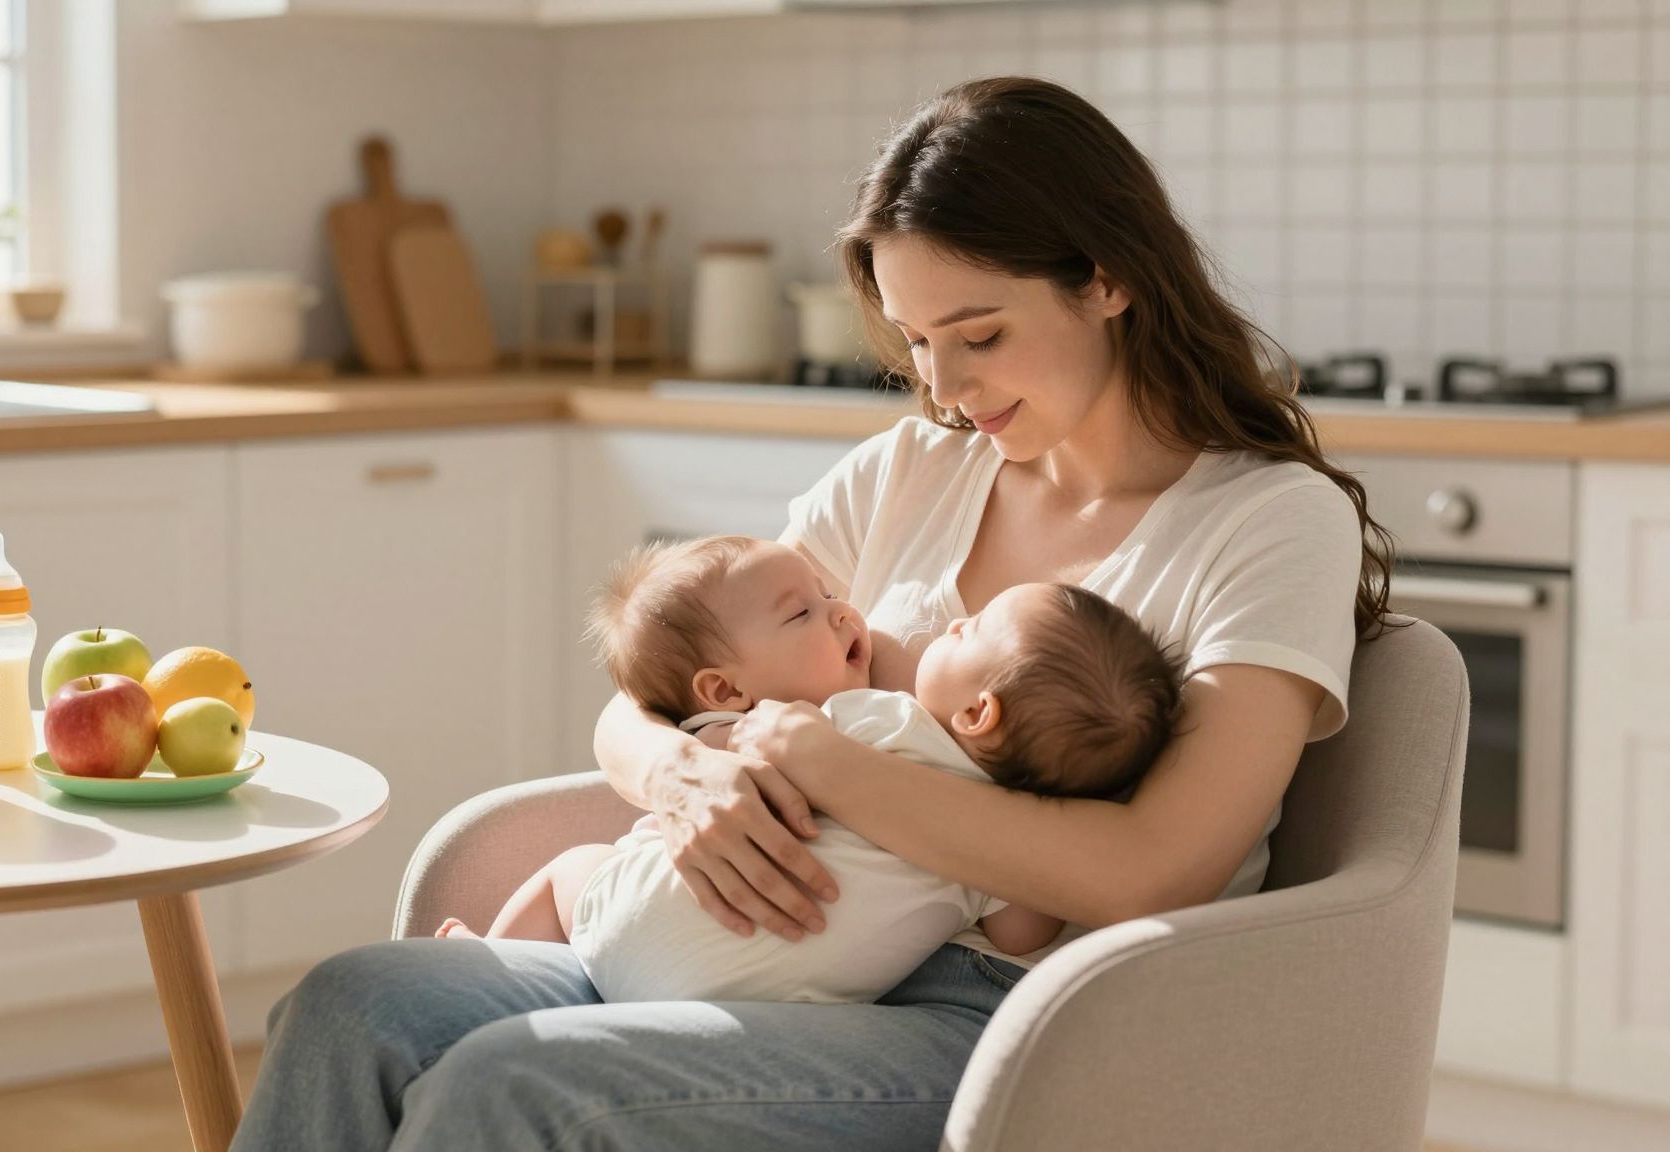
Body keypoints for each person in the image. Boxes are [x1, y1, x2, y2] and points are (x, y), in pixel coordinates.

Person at [231, 76, 1393, 1151]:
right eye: (917, 342)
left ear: (1106, 278)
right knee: (356, 1005)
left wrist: (811, 758)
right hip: (750, 958)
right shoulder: (913, 471)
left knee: (513, 1085)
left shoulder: (1264, 521)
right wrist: (679, 776)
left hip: (1020, 1018)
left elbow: (1154, 868)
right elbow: (661, 685)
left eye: (978, 334)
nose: (942, 387)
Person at [436, 535, 1184, 1009]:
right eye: (814, 607)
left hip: (639, 926)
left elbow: (736, 728)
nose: (843, 612)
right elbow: (1024, 931)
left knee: (573, 867)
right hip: (762, 1004)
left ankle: (493, 967)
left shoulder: (869, 721)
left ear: (979, 713)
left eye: (970, 630)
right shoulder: (993, 853)